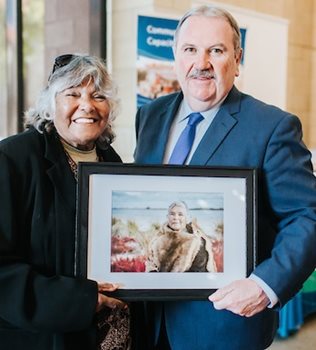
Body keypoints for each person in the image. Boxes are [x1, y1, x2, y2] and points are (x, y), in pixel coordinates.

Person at [134, 5, 316, 350]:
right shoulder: (150, 116)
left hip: (222, 326)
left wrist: (265, 285)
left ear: (237, 58)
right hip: (150, 322)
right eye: (190, 49)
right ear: (175, 55)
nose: (201, 63)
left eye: (216, 51)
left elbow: (307, 215)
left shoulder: (272, 127)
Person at [0, 54, 131, 350]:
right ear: (50, 103)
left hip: (114, 336)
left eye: (98, 95)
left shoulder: (112, 162)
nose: (87, 105)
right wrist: (84, 300)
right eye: (73, 93)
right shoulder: (13, 159)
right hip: (45, 338)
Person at [146, 201, 217, 272]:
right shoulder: (157, 239)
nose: (176, 218)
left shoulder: (197, 242)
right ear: (167, 217)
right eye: (172, 214)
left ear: (186, 218)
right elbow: (151, 266)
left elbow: (198, 273)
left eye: (180, 214)